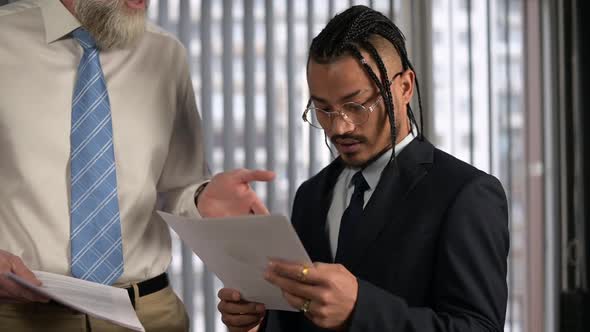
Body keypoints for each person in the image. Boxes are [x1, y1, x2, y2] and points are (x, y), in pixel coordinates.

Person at [217, 5, 509, 332]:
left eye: (355, 106)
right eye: (323, 109)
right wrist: (258, 322)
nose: (339, 127)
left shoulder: (466, 194)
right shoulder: (311, 195)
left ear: (404, 88)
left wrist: (360, 310)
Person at [0, 0, 274, 330]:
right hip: (20, 316)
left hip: (149, 314)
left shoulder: (165, 54)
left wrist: (201, 198)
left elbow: (178, 186)